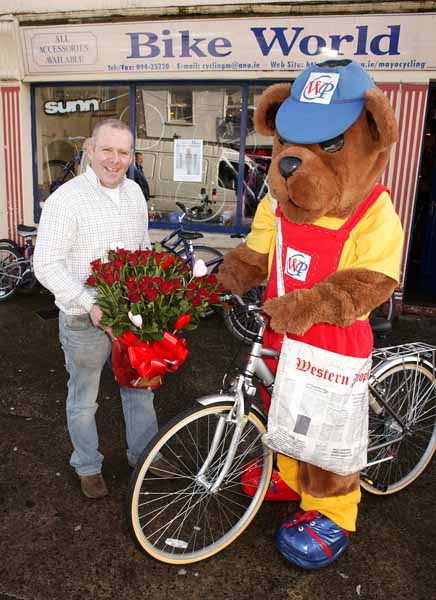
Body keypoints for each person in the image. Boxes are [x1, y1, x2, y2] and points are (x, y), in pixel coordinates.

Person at [34, 118, 163, 500]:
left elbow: (141, 250)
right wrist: (91, 304)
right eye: (107, 149)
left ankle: (145, 457)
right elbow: (46, 265)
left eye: (123, 152)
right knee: (84, 397)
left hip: (130, 316)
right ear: (90, 150)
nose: (115, 159)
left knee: (140, 390)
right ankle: (88, 465)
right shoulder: (66, 199)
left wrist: (149, 297)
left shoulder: (136, 194)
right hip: (82, 318)